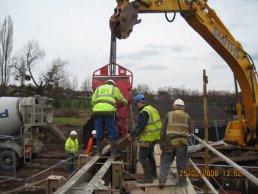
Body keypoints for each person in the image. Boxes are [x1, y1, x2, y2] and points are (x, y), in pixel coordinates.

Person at [159, 99, 192, 188]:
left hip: (169, 141)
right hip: (182, 142)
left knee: (165, 161)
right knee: (182, 162)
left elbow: (163, 130)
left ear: (174, 106)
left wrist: (161, 142)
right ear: (183, 107)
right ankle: (182, 182)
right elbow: (191, 130)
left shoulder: (168, 114)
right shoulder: (187, 116)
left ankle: (162, 181)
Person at [130, 94, 162, 183]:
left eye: (136, 104)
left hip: (148, 138)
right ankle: (153, 174)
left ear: (140, 102)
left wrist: (133, 135)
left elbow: (141, 126)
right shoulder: (152, 108)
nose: (136, 106)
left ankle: (148, 178)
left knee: (141, 157)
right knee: (149, 155)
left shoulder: (144, 112)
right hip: (155, 137)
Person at [91, 79, 128, 157]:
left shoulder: (98, 88)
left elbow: (93, 101)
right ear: (113, 84)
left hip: (97, 112)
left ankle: (99, 152)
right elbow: (122, 99)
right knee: (112, 131)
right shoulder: (114, 89)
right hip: (109, 112)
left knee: (99, 131)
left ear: (106, 83)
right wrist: (125, 102)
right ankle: (113, 153)